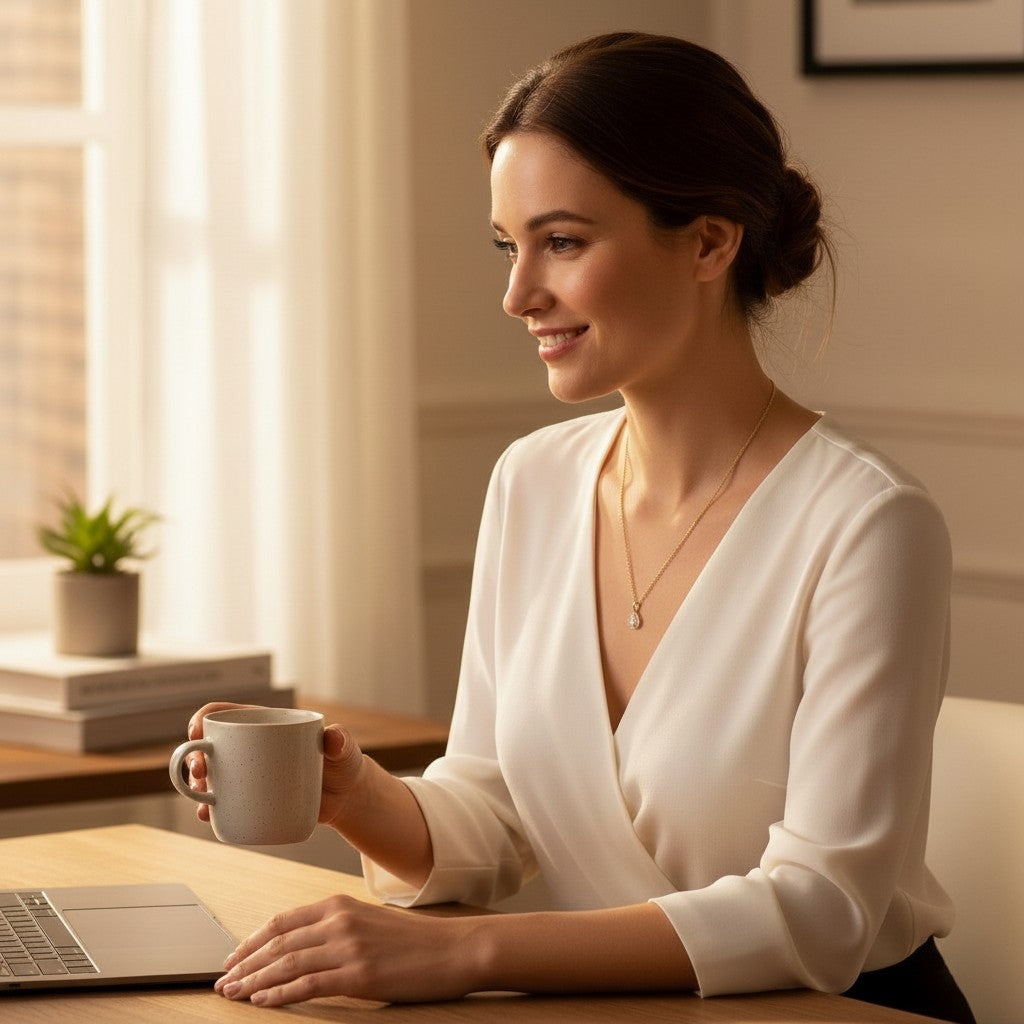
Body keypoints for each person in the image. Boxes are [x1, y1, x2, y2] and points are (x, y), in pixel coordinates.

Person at [186, 32, 975, 1022]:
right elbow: (494, 816)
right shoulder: (534, 481)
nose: (517, 295)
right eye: (507, 246)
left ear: (707, 240)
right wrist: (354, 795)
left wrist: (461, 953)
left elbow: (820, 912)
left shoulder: (868, 524)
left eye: (560, 241)